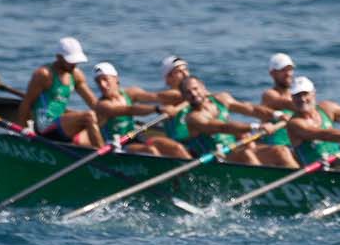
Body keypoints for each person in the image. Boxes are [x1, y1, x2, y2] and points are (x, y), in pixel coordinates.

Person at [160, 75, 295, 168]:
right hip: (216, 158)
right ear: (184, 97)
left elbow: (251, 109)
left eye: (195, 89)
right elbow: (222, 127)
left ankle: (302, 183)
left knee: (281, 150)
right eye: (188, 93)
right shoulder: (193, 118)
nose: (194, 94)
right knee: (246, 154)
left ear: (203, 87)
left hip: (234, 150)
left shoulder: (221, 99)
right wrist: (255, 127)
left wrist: (277, 115)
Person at [19, 36, 104, 147]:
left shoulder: (76, 75)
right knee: (88, 116)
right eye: (70, 61)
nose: (74, 64)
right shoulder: (44, 75)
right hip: (45, 126)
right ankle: (103, 153)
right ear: (58, 57)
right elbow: (26, 103)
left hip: (61, 125)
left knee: (102, 113)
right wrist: (24, 130)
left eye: (75, 61)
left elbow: (94, 103)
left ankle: (92, 145)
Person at [90, 61, 187, 158]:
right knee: (150, 150)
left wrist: (188, 93)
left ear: (116, 78)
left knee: (175, 147)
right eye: (98, 82)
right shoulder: (102, 105)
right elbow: (129, 110)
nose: (102, 85)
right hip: (117, 145)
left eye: (105, 79)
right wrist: (158, 109)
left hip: (135, 137)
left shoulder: (130, 93)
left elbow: (157, 96)